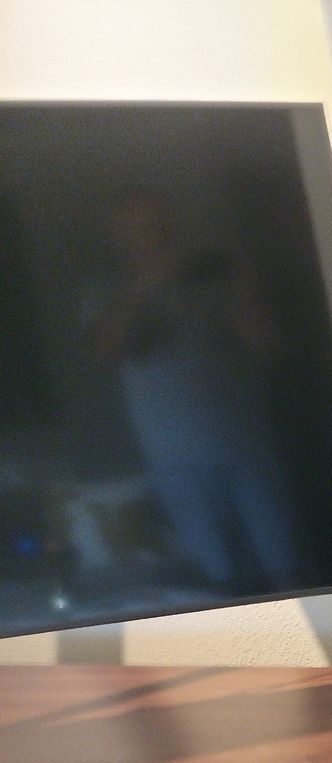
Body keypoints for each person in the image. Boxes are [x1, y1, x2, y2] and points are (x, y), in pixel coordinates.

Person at [84, 190, 305, 594]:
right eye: (137, 226)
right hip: (173, 454)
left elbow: (271, 350)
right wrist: (142, 286)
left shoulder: (215, 277)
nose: (151, 234)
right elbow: (104, 354)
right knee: (216, 579)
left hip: (247, 444)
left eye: (158, 222)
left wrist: (244, 291)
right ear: (117, 233)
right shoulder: (107, 292)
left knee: (286, 569)